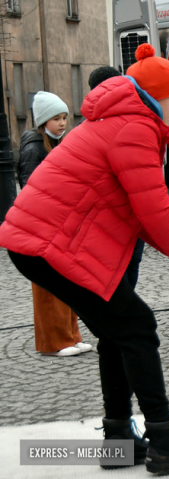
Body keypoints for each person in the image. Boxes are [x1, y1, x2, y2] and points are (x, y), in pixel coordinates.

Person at [0, 44, 169, 473]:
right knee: (137, 326)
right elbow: (153, 207)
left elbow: (139, 212)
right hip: (47, 244)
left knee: (118, 332)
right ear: (156, 97)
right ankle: (163, 442)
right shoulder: (134, 128)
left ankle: (119, 440)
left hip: (40, 244)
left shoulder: (120, 122)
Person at [17, 91, 92, 357]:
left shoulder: (53, 143)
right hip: (43, 226)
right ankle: (55, 341)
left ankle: (70, 336)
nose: (63, 123)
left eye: (64, 118)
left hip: (59, 223)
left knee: (65, 283)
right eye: (56, 118)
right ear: (42, 121)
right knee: (49, 286)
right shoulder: (34, 148)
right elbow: (32, 190)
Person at [87, 65, 146, 289]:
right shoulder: (98, 126)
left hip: (128, 215)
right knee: (120, 277)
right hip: (114, 217)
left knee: (128, 272)